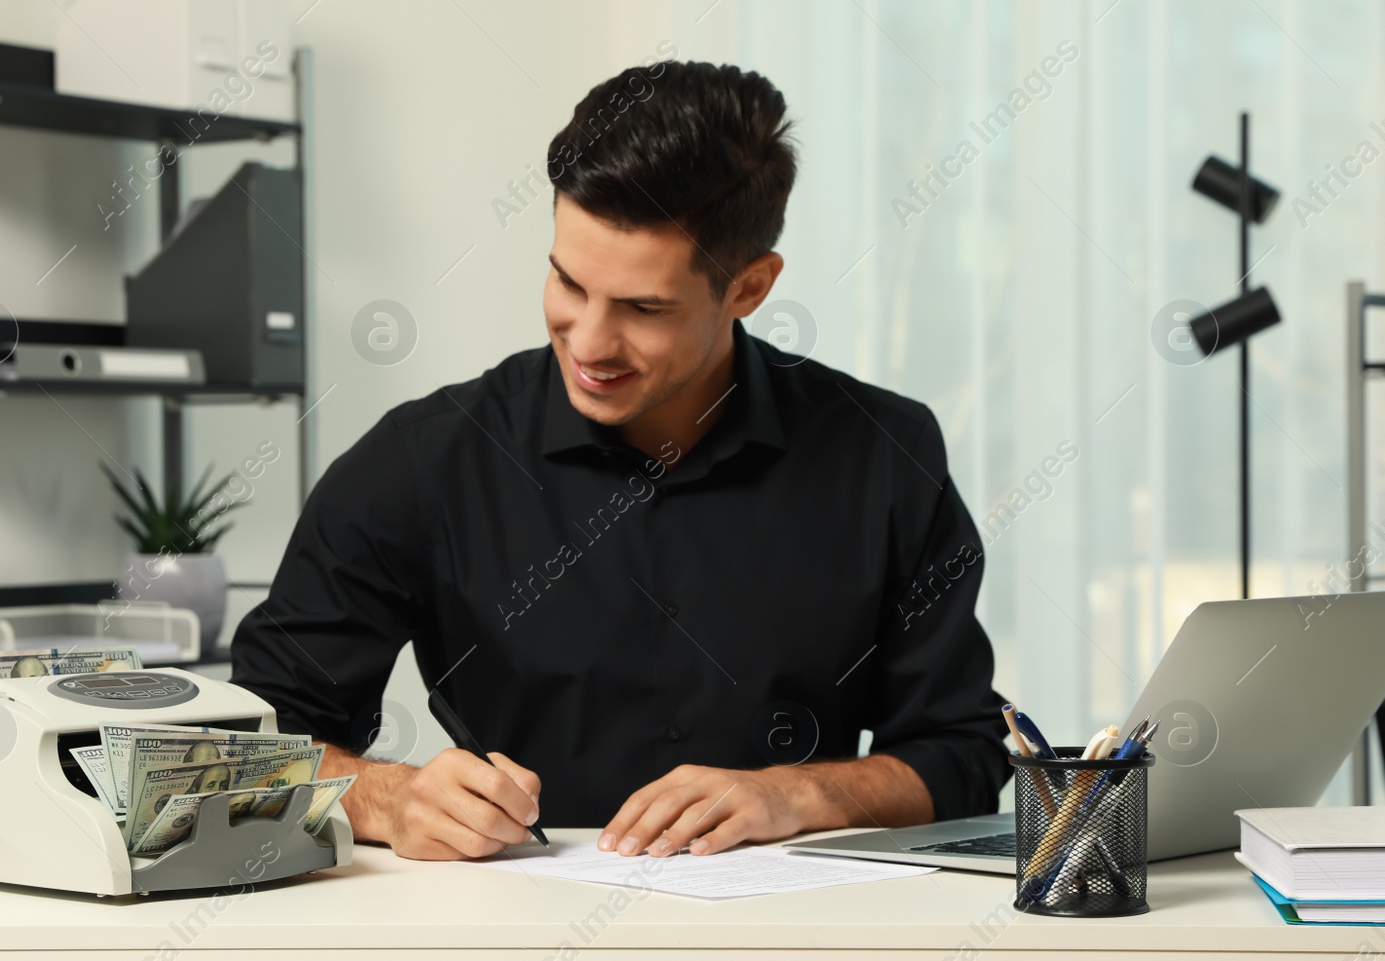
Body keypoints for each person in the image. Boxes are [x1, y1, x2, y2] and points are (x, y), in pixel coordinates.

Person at [230, 59, 1010, 862]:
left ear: (749, 287)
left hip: (794, 945)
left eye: (645, 308)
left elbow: (963, 753)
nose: (591, 343)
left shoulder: (884, 452)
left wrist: (798, 793)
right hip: (505, 944)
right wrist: (390, 798)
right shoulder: (424, 459)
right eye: (568, 282)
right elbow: (250, 738)